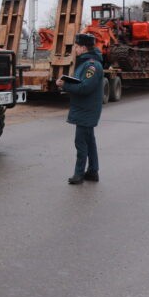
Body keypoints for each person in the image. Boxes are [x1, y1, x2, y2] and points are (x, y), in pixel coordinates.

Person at [56, 33, 104, 185]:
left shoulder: (91, 66)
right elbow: (81, 83)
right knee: (89, 141)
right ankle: (93, 171)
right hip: (85, 108)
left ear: (83, 48)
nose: (75, 50)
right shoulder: (85, 63)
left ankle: (79, 174)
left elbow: (84, 87)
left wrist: (65, 85)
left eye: (76, 47)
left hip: (86, 109)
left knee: (81, 142)